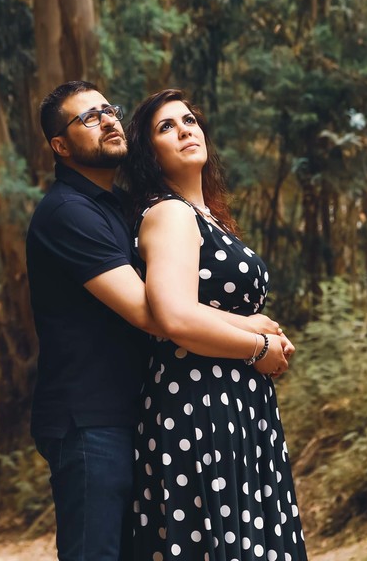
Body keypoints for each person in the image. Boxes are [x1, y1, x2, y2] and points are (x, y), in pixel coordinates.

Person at [27, 81, 290, 561]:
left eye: (108, 110)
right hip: (90, 421)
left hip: (134, 411)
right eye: (88, 117)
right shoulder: (68, 213)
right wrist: (252, 331)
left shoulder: (118, 206)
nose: (107, 120)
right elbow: (154, 314)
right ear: (60, 146)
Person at [123, 88, 308, 561]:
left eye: (189, 120)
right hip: (199, 402)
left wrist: (256, 331)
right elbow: (174, 315)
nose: (185, 130)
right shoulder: (169, 213)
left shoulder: (208, 217)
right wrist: (256, 345)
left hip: (234, 403)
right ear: (149, 154)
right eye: (166, 127)